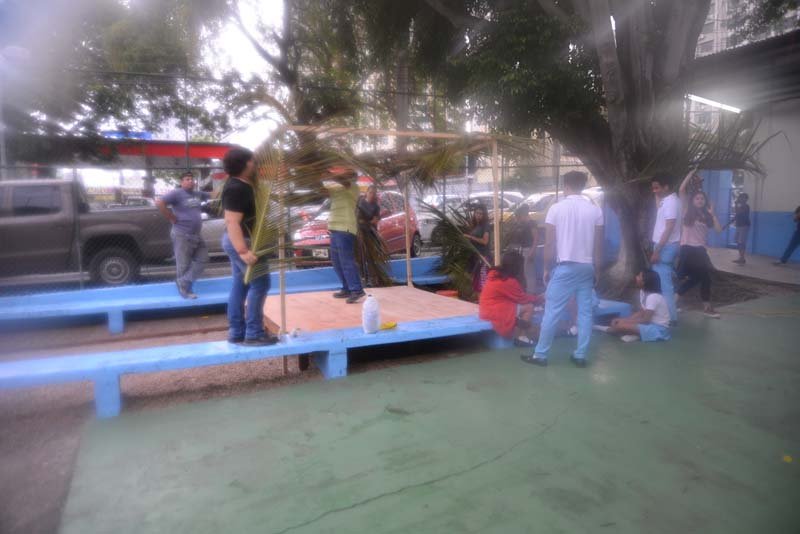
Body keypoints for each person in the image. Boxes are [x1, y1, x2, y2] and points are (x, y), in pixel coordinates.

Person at [522, 171, 603, 368]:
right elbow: (598, 246)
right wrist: (597, 270)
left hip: (565, 267)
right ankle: (580, 355)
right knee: (585, 313)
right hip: (587, 268)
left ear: (566, 185)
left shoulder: (556, 209)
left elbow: (550, 244)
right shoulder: (595, 211)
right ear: (583, 186)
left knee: (552, 312)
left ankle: (540, 355)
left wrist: (546, 268)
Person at [221, 148, 276, 346]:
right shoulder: (237, 188)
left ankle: (237, 331)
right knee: (260, 284)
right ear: (245, 164)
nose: (255, 164)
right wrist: (243, 251)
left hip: (242, 240)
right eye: (252, 160)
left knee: (240, 284)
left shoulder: (242, 185)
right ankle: (254, 333)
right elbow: (232, 221)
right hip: (244, 242)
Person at [675, 171, 722, 318]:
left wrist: (713, 214)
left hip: (700, 251)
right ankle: (706, 307)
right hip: (687, 249)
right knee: (701, 277)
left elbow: (719, 230)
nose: (700, 200)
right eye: (697, 198)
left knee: (698, 278)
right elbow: (681, 190)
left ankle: (674, 301)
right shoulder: (686, 210)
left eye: (702, 198)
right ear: (692, 200)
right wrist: (690, 174)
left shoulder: (707, 215)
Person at [157, 172, 210, 299]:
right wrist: (171, 217)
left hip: (196, 234)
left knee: (203, 259)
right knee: (183, 264)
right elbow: (159, 202)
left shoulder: (197, 194)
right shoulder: (177, 193)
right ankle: (185, 290)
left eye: (192, 179)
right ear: (181, 182)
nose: (191, 181)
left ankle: (183, 281)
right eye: (187, 179)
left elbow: (212, 195)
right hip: (182, 234)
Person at [479, 250, 543, 346]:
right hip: (495, 312)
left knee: (520, 308)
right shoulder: (508, 280)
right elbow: (522, 299)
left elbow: (515, 297)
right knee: (529, 307)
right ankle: (521, 337)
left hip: (485, 310)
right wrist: (540, 299)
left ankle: (520, 327)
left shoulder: (495, 274)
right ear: (516, 267)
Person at [325, 168, 365, 304]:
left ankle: (356, 289)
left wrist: (327, 172)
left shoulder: (353, 187)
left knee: (346, 261)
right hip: (335, 228)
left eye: (347, 174)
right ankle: (347, 288)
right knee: (337, 262)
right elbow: (322, 190)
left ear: (352, 177)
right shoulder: (336, 188)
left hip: (345, 228)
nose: (343, 175)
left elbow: (342, 180)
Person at [601, 269, 671, 343]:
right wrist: (625, 320)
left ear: (644, 282)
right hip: (650, 324)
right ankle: (636, 334)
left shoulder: (653, 297)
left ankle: (606, 329)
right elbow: (642, 312)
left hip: (658, 329)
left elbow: (645, 320)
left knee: (619, 326)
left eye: (639, 276)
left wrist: (624, 321)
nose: (636, 277)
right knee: (620, 324)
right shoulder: (643, 292)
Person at [650, 173, 681, 323]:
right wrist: (656, 194)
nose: (654, 190)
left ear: (666, 187)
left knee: (665, 286)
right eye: (653, 188)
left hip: (665, 247)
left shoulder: (671, 203)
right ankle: (667, 316)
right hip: (665, 246)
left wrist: (657, 250)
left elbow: (669, 227)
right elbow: (658, 208)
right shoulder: (667, 201)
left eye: (657, 188)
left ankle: (671, 318)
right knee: (663, 284)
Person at [506, 204, 539, 293]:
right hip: (522, 250)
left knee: (529, 272)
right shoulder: (522, 224)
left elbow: (536, 238)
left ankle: (531, 292)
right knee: (524, 272)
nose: (518, 220)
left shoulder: (531, 223)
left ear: (523, 215)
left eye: (519, 217)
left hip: (528, 249)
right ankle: (526, 291)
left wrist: (532, 251)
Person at [357, 185, 382, 285]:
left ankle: (373, 278)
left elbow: (375, 220)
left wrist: (366, 222)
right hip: (359, 232)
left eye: (374, 193)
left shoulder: (376, 207)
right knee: (360, 256)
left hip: (370, 234)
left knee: (370, 256)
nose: (372, 195)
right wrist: (367, 221)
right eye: (370, 192)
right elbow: (358, 219)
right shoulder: (360, 203)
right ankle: (362, 277)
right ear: (366, 192)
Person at [464, 204, 491, 294]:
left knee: (482, 282)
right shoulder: (476, 225)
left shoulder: (486, 226)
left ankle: (484, 298)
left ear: (484, 215)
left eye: (481, 214)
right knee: (476, 281)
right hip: (475, 257)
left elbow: (485, 241)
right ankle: (479, 298)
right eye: (477, 213)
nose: (478, 215)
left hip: (483, 257)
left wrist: (470, 237)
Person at [732, 193, 751, 265]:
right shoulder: (739, 206)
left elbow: (738, 212)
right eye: (740, 197)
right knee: (737, 241)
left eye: (743, 198)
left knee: (741, 242)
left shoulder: (746, 206)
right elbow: (736, 214)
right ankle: (741, 258)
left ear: (746, 199)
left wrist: (736, 204)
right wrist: (736, 205)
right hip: (739, 225)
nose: (741, 199)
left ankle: (742, 258)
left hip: (744, 226)